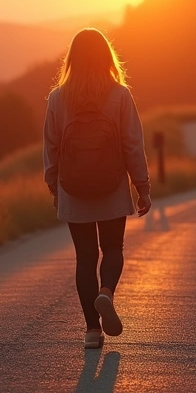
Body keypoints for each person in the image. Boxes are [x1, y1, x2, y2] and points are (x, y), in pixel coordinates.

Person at [44, 28, 151, 349]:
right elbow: (133, 144)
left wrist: (54, 188)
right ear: (107, 56)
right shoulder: (119, 94)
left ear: (72, 59)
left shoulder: (58, 98)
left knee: (84, 258)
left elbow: (50, 148)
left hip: (73, 189)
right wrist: (142, 186)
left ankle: (92, 331)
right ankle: (106, 293)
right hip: (112, 186)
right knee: (113, 249)